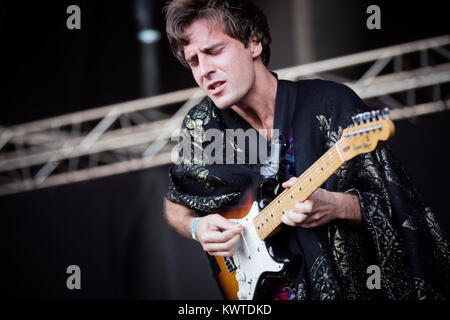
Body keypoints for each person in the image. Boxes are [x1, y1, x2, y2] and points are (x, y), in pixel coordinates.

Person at [163, 0, 449, 299]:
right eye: (194, 61)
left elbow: (403, 209)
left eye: (213, 51)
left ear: (253, 42)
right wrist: (196, 227)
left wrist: (337, 206)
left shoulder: (330, 104)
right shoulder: (201, 126)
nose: (204, 70)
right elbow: (176, 204)